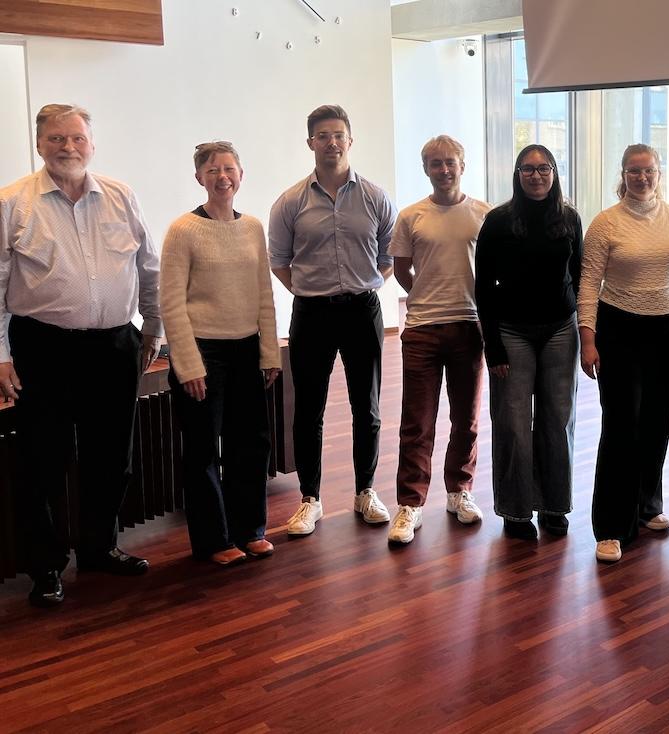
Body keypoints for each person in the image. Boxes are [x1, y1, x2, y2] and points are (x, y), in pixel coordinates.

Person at [0, 104, 162, 607]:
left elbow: (148, 267)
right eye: (56, 139)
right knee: (42, 461)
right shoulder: (12, 203)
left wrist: (152, 326)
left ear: (92, 142)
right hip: (41, 347)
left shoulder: (121, 195)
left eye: (76, 138)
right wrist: (0, 356)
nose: (67, 147)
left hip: (114, 345)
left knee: (112, 457)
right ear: (39, 144)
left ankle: (99, 547)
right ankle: (45, 567)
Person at [269, 105, 397, 538]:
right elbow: (279, 261)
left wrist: (365, 284)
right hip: (312, 314)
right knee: (309, 410)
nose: (331, 142)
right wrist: (311, 290)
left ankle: (365, 491)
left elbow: (389, 254)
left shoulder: (375, 197)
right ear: (310, 143)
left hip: (362, 310)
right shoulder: (290, 202)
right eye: (322, 136)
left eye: (338, 134)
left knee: (369, 407)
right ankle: (310, 499)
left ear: (350, 140)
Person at [160, 141, 281, 565]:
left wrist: (270, 353)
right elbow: (171, 302)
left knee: (251, 445)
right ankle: (215, 539)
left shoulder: (252, 228)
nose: (222, 177)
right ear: (199, 178)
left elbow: (264, 294)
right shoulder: (183, 230)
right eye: (212, 171)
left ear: (241, 175)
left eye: (229, 169)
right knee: (203, 449)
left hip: (248, 348)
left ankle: (250, 529)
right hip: (204, 353)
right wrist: (188, 364)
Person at [579, 143, 669, 563]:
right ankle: (611, 526)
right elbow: (589, 283)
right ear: (622, 176)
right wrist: (587, 340)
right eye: (633, 171)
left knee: (656, 421)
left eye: (648, 171)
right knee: (621, 424)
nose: (641, 178)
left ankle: (648, 506)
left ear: (659, 173)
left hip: (667, 327)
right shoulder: (605, 223)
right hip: (618, 328)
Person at [386, 135, 490, 545]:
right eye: (434, 164)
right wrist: (425, 296)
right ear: (425, 168)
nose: (443, 170)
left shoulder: (483, 214)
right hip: (422, 330)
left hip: (469, 326)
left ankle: (459, 491)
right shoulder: (412, 217)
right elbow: (401, 270)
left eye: (449, 162)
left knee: (465, 419)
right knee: (417, 421)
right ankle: (410, 504)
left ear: (462, 165)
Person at [476, 144, 583, 540]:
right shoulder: (499, 221)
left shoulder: (569, 219)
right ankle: (516, 510)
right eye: (527, 169)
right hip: (512, 331)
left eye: (544, 169)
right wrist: (493, 347)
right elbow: (484, 287)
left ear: (555, 173)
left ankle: (555, 506)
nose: (536, 176)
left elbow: (579, 275)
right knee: (514, 424)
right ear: (517, 174)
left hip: (559, 330)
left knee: (558, 421)